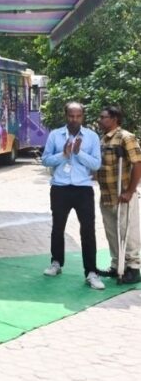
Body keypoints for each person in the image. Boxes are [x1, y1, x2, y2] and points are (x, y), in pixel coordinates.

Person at [41, 101, 104, 290]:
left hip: (83, 189)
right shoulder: (55, 135)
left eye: (78, 116)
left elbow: (96, 164)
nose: (74, 119)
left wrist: (79, 153)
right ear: (65, 116)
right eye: (71, 116)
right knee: (58, 227)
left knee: (88, 230)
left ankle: (91, 272)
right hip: (60, 188)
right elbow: (45, 160)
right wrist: (63, 154)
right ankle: (56, 263)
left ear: (82, 117)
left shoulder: (92, 137)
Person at [95, 105, 141, 284]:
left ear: (114, 119)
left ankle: (133, 268)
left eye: (103, 117)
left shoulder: (126, 137)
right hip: (106, 195)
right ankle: (117, 265)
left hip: (123, 196)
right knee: (112, 232)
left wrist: (130, 191)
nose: (100, 120)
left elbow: (137, 163)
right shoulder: (104, 139)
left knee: (127, 233)